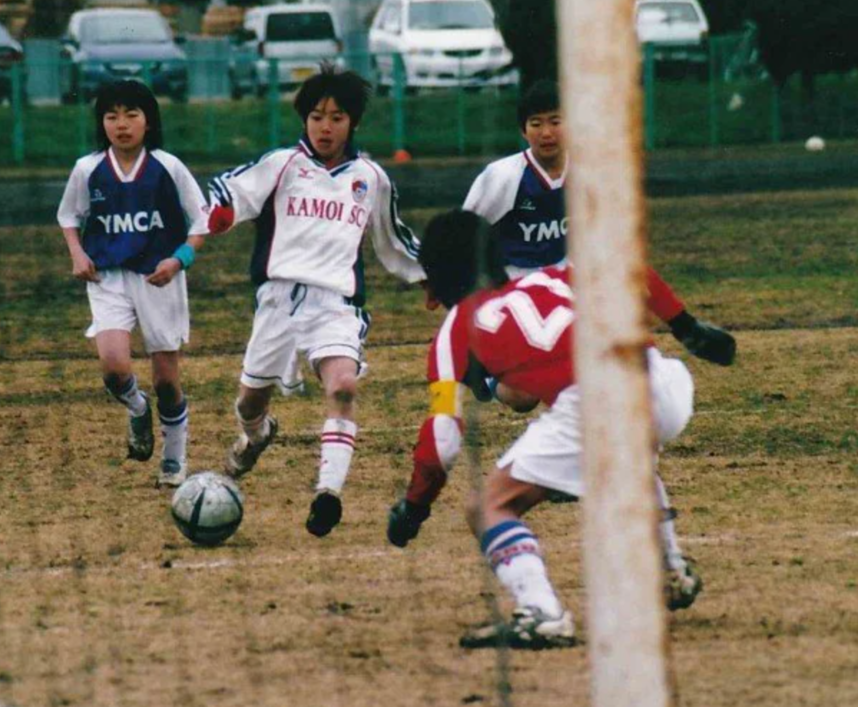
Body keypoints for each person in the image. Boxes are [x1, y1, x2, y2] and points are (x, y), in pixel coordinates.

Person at [387, 210, 702, 649]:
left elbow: (442, 441)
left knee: (488, 507)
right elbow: (626, 266)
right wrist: (688, 326)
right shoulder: (551, 278)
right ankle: (670, 568)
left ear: (438, 276)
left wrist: (414, 506)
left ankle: (541, 612)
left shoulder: (456, 328)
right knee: (626, 455)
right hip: (661, 380)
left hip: (596, 403)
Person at [206, 64, 425, 537]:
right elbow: (228, 190)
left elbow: (395, 243)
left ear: (354, 123)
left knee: (343, 386)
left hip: (337, 304)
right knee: (249, 403)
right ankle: (258, 434)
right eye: (317, 116)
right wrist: (217, 215)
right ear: (305, 120)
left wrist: (434, 276)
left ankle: (327, 494)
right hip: (277, 302)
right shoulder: (282, 164)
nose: (326, 127)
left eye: (337, 117)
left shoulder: (371, 178)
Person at [462, 79, 736, 367]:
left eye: (556, 121)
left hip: (564, 277)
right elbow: (460, 235)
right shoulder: (503, 176)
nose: (546, 133)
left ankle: (687, 330)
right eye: (536, 123)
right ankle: (485, 362)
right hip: (516, 285)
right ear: (523, 130)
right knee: (521, 397)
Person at [56, 80, 209, 489]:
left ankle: (174, 457)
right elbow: (69, 216)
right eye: (111, 116)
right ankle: (138, 409)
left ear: (148, 121)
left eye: (131, 115)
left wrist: (179, 260)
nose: (121, 124)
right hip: (108, 276)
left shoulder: (168, 167)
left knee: (166, 381)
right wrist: (77, 253)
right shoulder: (88, 169)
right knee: (114, 366)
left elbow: (201, 223)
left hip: (159, 279)